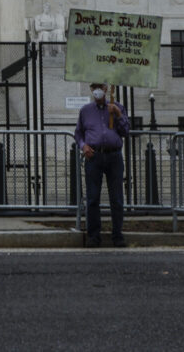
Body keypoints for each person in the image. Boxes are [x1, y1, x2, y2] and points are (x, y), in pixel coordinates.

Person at [74, 82, 129, 248]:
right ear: (91, 90)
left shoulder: (117, 107)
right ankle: (93, 236)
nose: (97, 91)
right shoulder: (85, 111)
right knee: (92, 198)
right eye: (94, 87)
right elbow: (78, 133)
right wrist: (83, 146)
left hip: (113, 156)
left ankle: (117, 235)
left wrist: (118, 115)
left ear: (106, 89)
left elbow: (126, 131)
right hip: (94, 156)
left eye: (100, 87)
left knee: (117, 199)